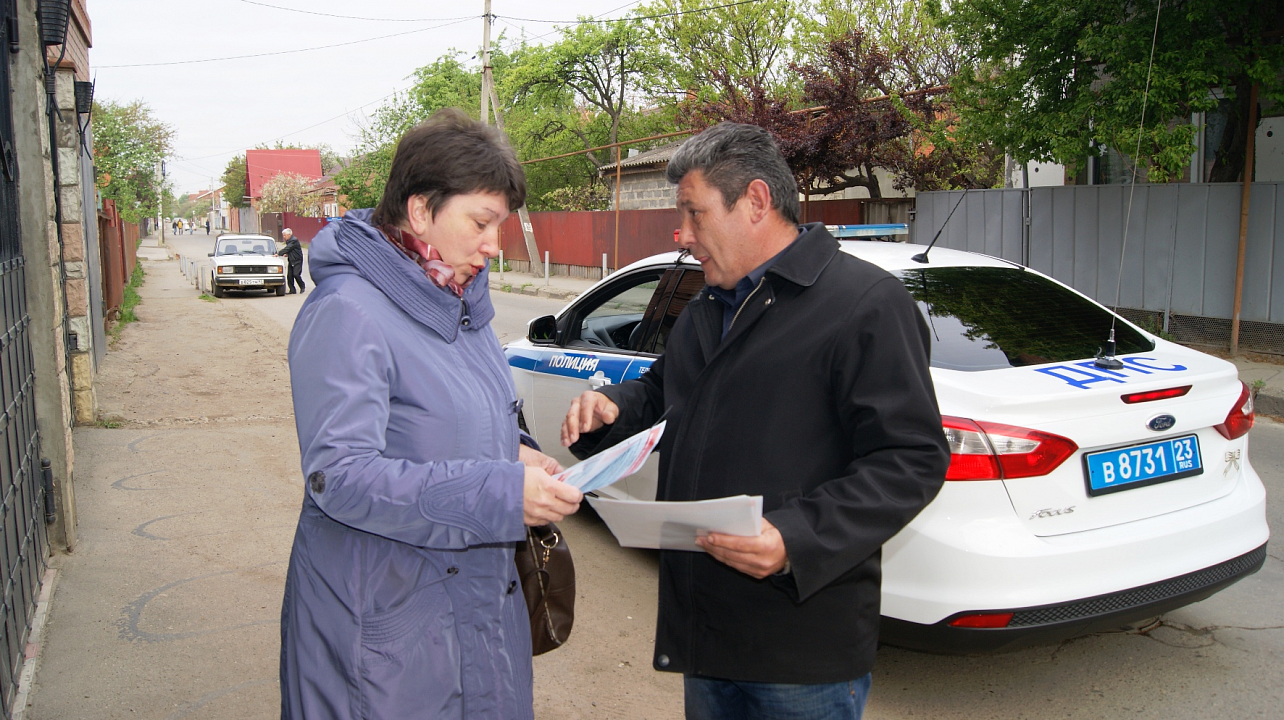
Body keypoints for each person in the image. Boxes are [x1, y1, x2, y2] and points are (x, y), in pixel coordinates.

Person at [561, 123, 949, 720]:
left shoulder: (863, 305)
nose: (682, 235)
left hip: (801, 650)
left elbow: (912, 460)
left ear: (757, 202)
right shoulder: (708, 307)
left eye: (694, 213)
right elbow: (665, 392)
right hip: (708, 634)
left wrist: (795, 538)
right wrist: (612, 408)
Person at [279, 107, 582, 720]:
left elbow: (471, 412)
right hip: (387, 636)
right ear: (421, 210)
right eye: (481, 222)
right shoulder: (349, 313)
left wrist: (517, 452)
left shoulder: (460, 302)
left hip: (477, 617)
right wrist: (500, 490)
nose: (494, 244)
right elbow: (338, 476)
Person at [276, 228, 305, 294]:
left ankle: (302, 286)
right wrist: (287, 254)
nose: (284, 237)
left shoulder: (293, 240)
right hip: (291, 259)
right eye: (283, 235)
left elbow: (288, 248)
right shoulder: (289, 240)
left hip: (297, 260)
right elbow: (291, 249)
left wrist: (278, 254)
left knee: (296, 274)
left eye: (284, 235)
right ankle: (292, 290)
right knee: (289, 276)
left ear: (289, 234)